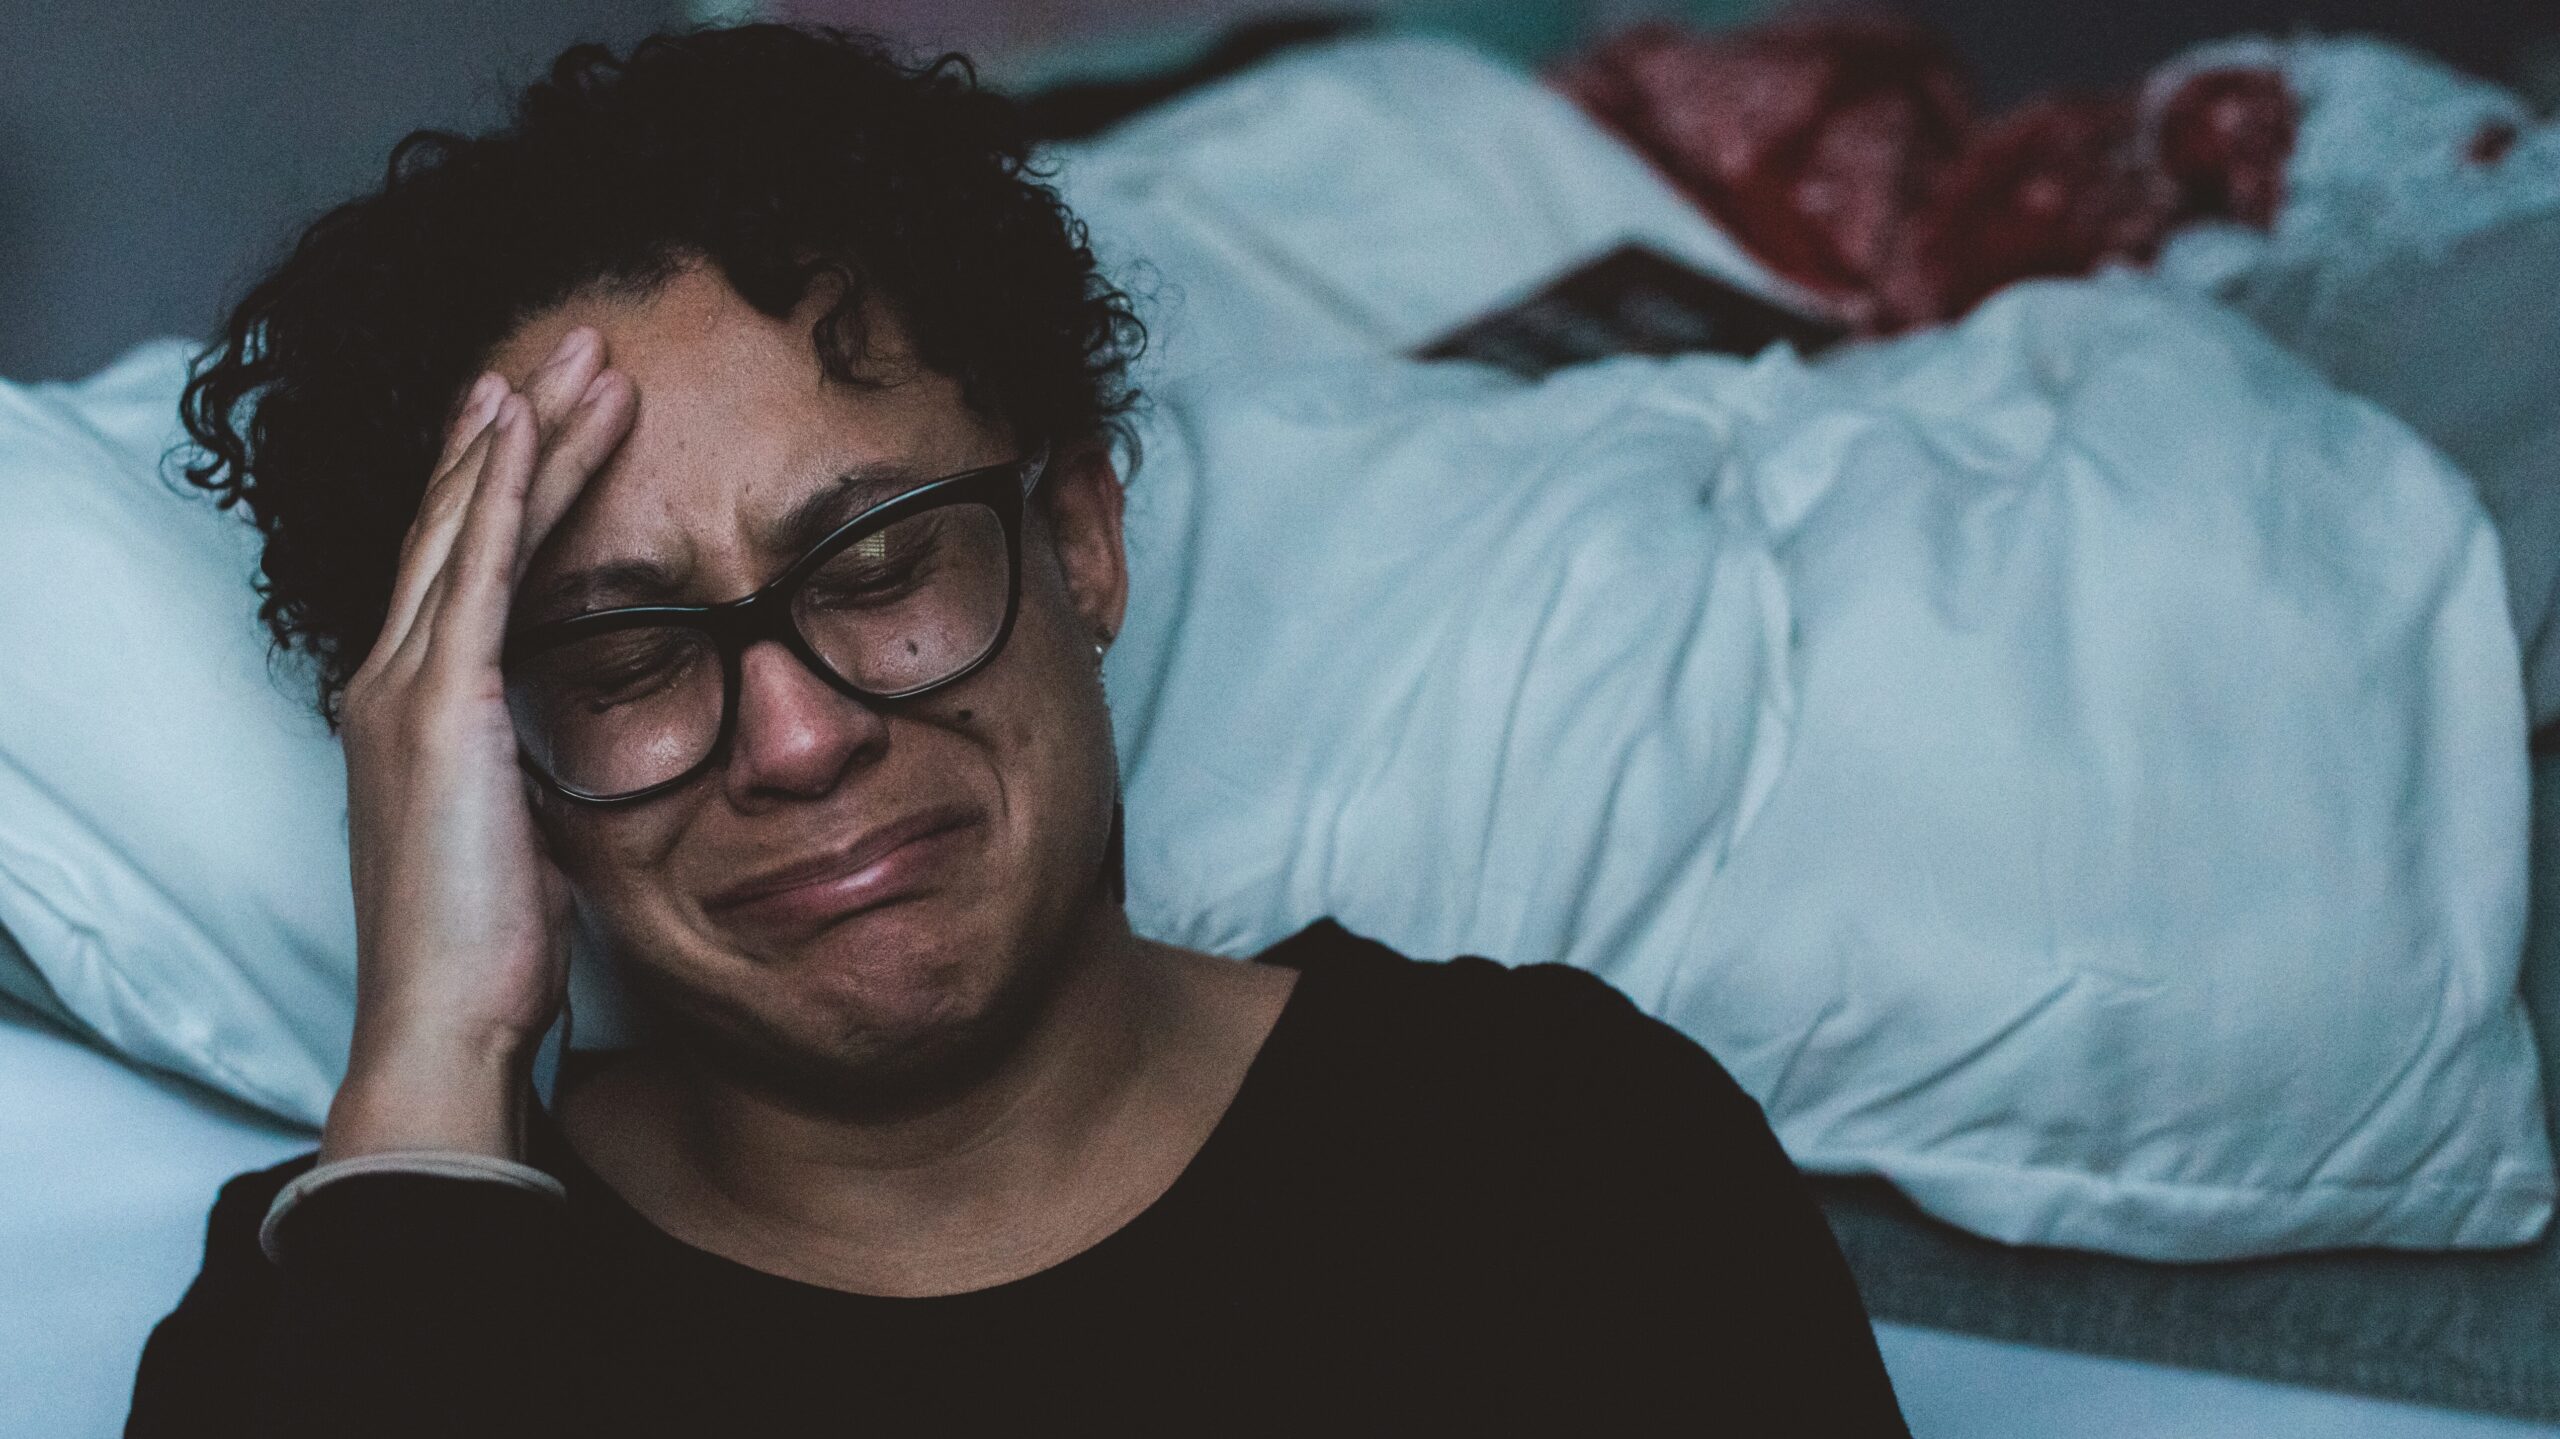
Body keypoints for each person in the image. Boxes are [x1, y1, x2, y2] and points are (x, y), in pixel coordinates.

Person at [125, 24, 1906, 1436]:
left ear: (1079, 539)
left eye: (879, 560)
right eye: (625, 661)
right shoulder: (343, 1294)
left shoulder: (1556, 1160)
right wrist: (434, 1048)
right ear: (495, 756)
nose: (802, 741)